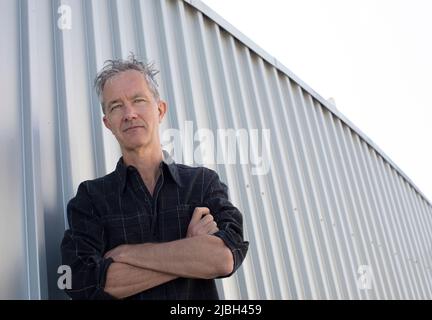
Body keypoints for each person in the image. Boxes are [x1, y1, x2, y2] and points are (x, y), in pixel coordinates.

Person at [60, 55, 249, 300]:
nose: (129, 114)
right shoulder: (91, 198)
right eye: (116, 106)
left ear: (160, 110)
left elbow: (224, 258)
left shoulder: (202, 183)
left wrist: (124, 254)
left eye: (138, 100)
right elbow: (80, 282)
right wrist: (189, 250)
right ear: (107, 123)